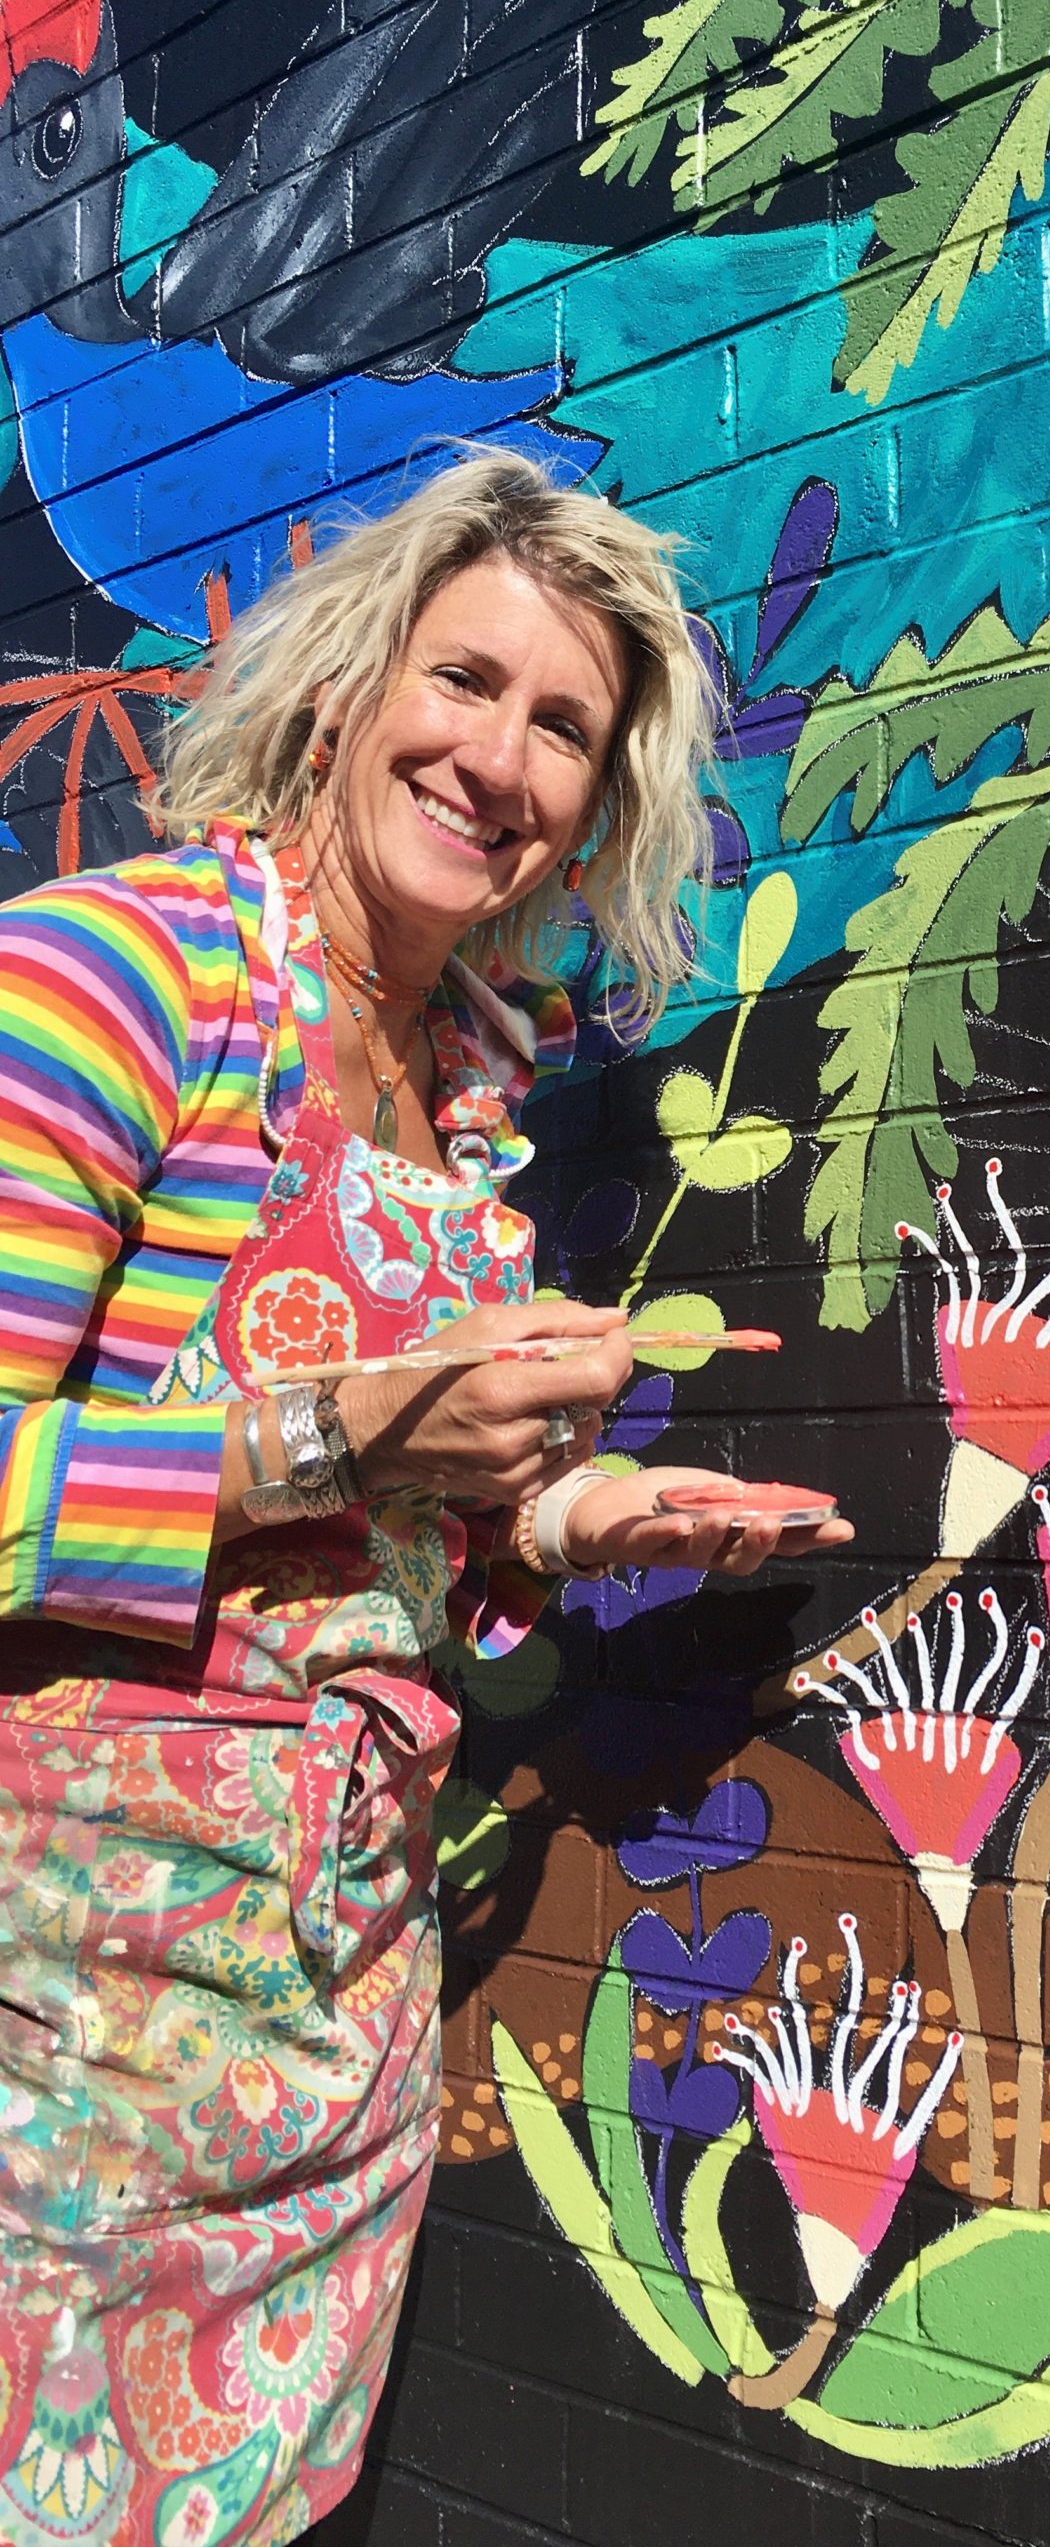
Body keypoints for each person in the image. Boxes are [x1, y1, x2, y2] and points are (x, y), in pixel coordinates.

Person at [0, 447, 851, 2545]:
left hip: (345, 1983)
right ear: (345, 677)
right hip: (73, 2012)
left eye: (563, 727)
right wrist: (341, 1438)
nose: (500, 759)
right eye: (464, 679)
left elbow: (388, 1535)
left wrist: (567, 1524)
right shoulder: (115, 979)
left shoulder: (470, 1088)